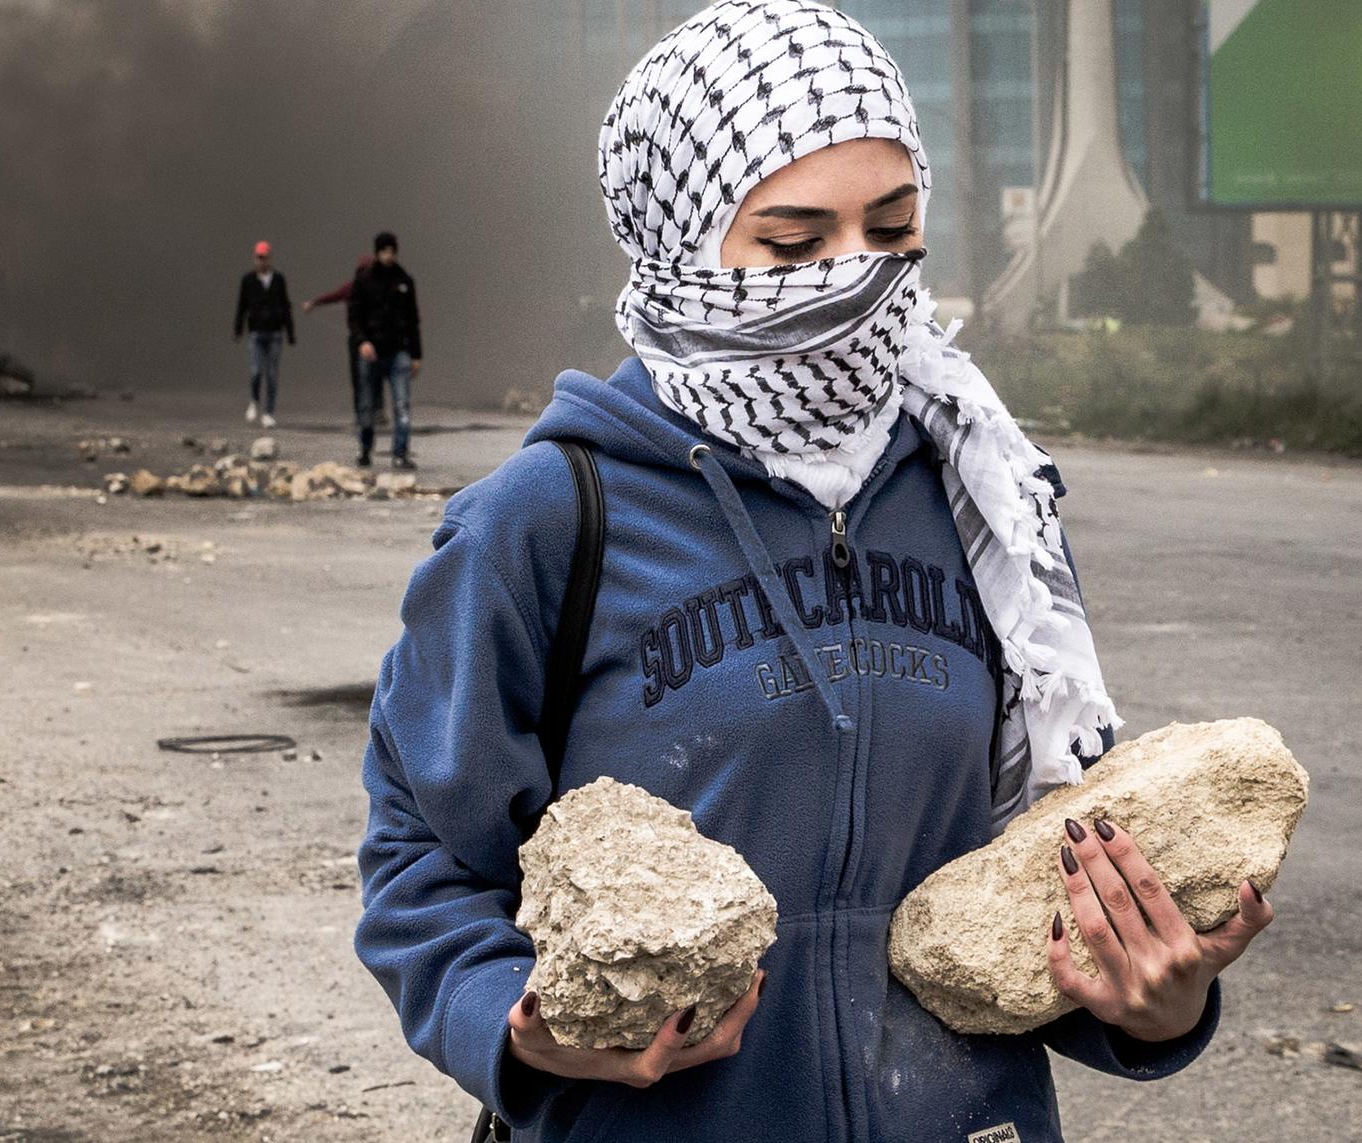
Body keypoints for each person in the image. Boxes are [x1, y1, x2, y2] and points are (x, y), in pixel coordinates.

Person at [353, 5, 1275, 1141]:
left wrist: (1152, 1003)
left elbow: (1017, 883)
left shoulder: (981, 496)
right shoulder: (546, 520)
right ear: (679, 243)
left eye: (891, 231)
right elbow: (422, 859)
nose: (854, 283)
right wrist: (514, 1023)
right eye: (792, 247)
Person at [346, 232, 420, 468]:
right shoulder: (364, 281)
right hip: (372, 351)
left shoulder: (404, 281)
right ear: (378, 252)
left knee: (401, 405)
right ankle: (365, 450)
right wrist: (362, 342)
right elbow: (354, 317)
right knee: (366, 405)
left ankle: (400, 453)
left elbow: (412, 320)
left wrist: (417, 354)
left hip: (399, 351)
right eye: (385, 250)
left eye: (392, 250)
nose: (389, 255)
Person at [303, 253, 376, 425]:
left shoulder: (378, 288)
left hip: (374, 338)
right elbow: (332, 296)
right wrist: (314, 303)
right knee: (358, 377)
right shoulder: (351, 288)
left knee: (373, 376)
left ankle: (375, 409)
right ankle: (361, 412)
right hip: (357, 339)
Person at [232, 240, 294, 429]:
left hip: (275, 332)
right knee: (256, 370)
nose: (262, 261)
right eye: (259, 257)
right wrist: (238, 329)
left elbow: (286, 305)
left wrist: (290, 331)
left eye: (265, 257)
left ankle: (268, 412)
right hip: (256, 332)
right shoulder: (248, 280)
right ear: (255, 258)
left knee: (272, 374)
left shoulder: (278, 280)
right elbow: (242, 306)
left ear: (269, 259)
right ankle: (254, 401)